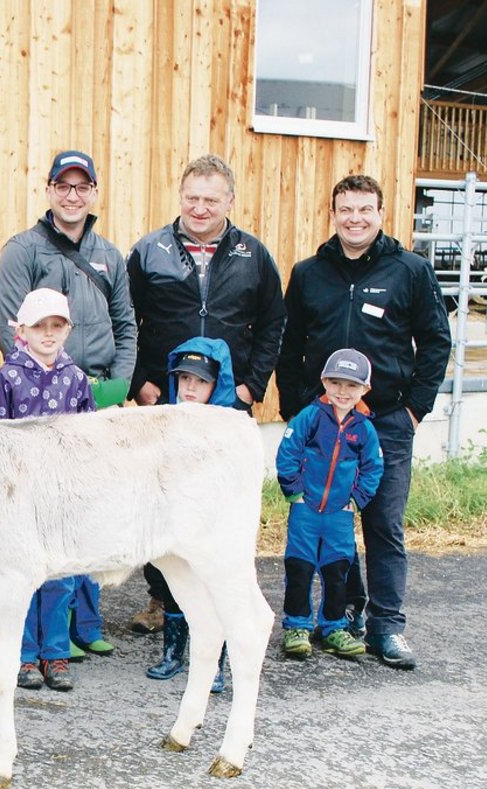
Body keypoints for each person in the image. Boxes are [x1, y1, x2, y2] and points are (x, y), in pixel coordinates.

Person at [277, 174, 452, 670]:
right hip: (322, 422)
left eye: (364, 209)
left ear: (380, 213)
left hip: (387, 422)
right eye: (345, 209)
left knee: (383, 524)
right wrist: (297, 408)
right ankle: (343, 613)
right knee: (327, 519)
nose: (355, 218)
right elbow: (290, 346)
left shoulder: (410, 271)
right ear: (332, 213)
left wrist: (415, 408)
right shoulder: (309, 272)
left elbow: (436, 341)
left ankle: (387, 627)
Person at [126, 153, 286, 629]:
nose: (199, 208)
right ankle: (163, 600)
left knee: (214, 503)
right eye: (192, 198)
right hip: (165, 402)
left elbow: (273, 323)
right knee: (161, 500)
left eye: (210, 200)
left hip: (224, 406)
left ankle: (215, 596)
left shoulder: (252, 255)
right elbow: (126, 319)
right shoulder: (149, 250)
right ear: (180, 197)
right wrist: (140, 383)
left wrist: (251, 386)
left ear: (229, 201)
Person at [0, 148, 137, 660]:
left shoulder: (109, 254)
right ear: (49, 189)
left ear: (94, 191)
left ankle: (84, 622)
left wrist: (117, 388)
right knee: (42, 517)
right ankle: (43, 636)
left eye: (82, 186)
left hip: (95, 391)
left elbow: (126, 324)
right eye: (63, 185)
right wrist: (42, 380)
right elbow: (10, 327)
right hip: (39, 398)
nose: (72, 195)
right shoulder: (23, 250)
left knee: (86, 508)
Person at [0, 288, 96, 692]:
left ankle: (56, 655)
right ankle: (24, 656)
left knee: (60, 580)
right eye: (39, 327)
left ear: (67, 330)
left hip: (61, 497)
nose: (48, 334)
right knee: (21, 579)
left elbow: (89, 434)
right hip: (18, 498)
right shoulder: (8, 377)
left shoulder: (76, 378)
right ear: (22, 331)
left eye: (56, 326)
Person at [142, 338, 238, 694]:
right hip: (174, 523)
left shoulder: (227, 426)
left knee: (213, 591)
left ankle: (214, 663)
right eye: (184, 379)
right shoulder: (166, 420)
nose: (190, 387)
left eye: (200, 381)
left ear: (217, 384)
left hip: (212, 525)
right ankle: (172, 653)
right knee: (173, 587)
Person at [276, 349, 383, 661]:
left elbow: (373, 467)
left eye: (351, 386)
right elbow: (288, 454)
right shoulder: (309, 418)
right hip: (306, 510)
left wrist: (356, 500)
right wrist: (294, 493)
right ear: (323, 381)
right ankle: (296, 626)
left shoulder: (364, 428)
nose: (342, 392)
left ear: (365, 389)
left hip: (339, 514)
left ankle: (334, 626)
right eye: (335, 382)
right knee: (299, 567)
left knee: (337, 569)